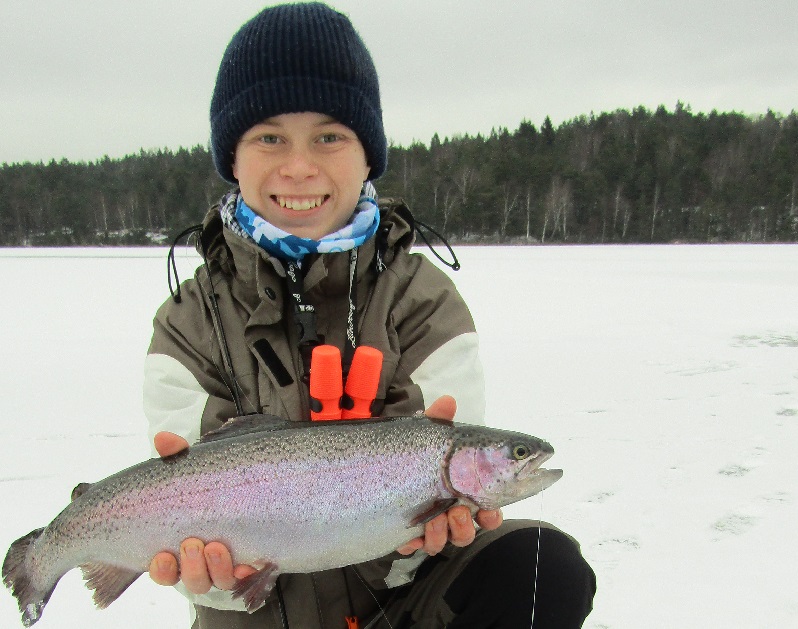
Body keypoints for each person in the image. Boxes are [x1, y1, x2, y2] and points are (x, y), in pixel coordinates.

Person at [143, 3, 596, 627]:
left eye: (330, 136)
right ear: (232, 157)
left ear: (368, 155)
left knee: (540, 564)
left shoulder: (422, 300)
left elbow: (432, 522)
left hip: (397, 603)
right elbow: (196, 533)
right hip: (254, 621)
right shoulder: (188, 320)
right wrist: (220, 581)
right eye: (269, 137)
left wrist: (422, 538)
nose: (299, 166)